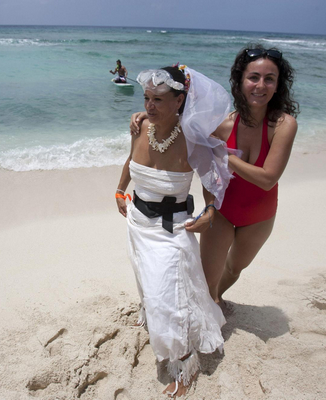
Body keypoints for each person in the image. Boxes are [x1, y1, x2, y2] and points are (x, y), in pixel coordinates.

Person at [131, 44, 299, 310]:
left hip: (260, 214)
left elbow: (268, 178)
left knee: (234, 268)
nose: (260, 85)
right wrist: (148, 116)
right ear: (240, 81)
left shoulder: (284, 125)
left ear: (278, 86)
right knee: (207, 280)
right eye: (253, 77)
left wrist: (221, 155)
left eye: (269, 79)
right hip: (223, 209)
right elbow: (183, 125)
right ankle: (211, 306)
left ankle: (217, 299)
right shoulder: (223, 125)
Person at [116, 65, 234, 398]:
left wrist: (209, 212)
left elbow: (211, 181)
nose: (149, 106)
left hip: (171, 230)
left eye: (158, 99)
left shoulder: (193, 136)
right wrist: (119, 190)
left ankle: (185, 367)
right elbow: (129, 162)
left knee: (168, 296)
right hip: (138, 222)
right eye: (147, 98)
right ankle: (148, 311)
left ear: (180, 100)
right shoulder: (140, 128)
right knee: (145, 278)